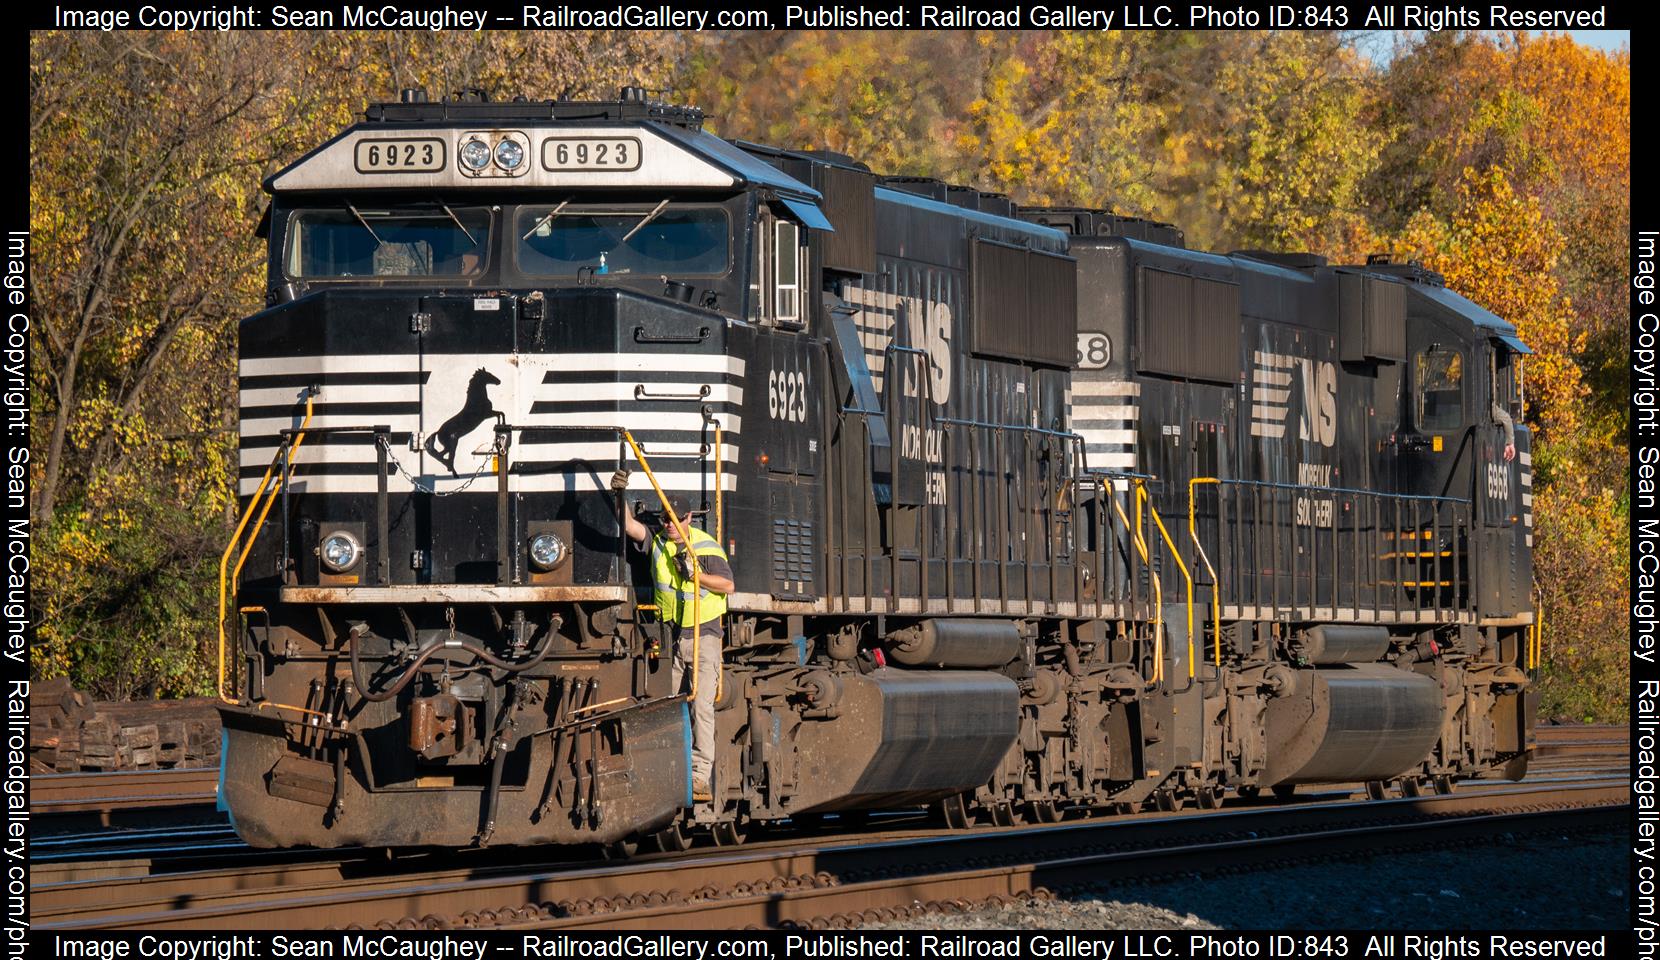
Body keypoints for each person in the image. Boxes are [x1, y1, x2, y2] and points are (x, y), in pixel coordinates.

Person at [610, 469, 732, 803]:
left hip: (704, 636)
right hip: (671, 637)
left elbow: (728, 585)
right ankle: (666, 768)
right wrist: (618, 495)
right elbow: (631, 526)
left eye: (676, 519)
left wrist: (697, 575)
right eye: (665, 519)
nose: (669, 524)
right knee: (666, 705)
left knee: (702, 707)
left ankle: (699, 777)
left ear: (689, 518)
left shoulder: (706, 547)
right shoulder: (658, 543)